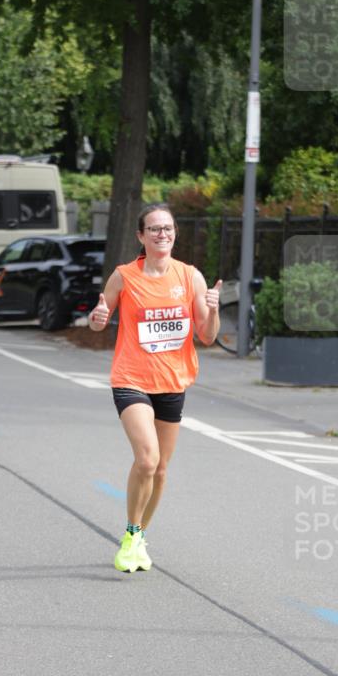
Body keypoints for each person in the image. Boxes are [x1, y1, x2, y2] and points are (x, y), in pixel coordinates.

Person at [89, 203, 221, 573]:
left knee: (161, 469)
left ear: (174, 234)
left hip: (172, 381)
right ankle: (131, 533)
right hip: (131, 378)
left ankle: (139, 540)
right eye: (155, 229)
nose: (162, 235)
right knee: (146, 459)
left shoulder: (189, 276)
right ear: (141, 236)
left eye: (168, 229)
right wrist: (97, 318)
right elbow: (100, 320)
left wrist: (213, 308)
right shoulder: (124, 276)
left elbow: (207, 336)